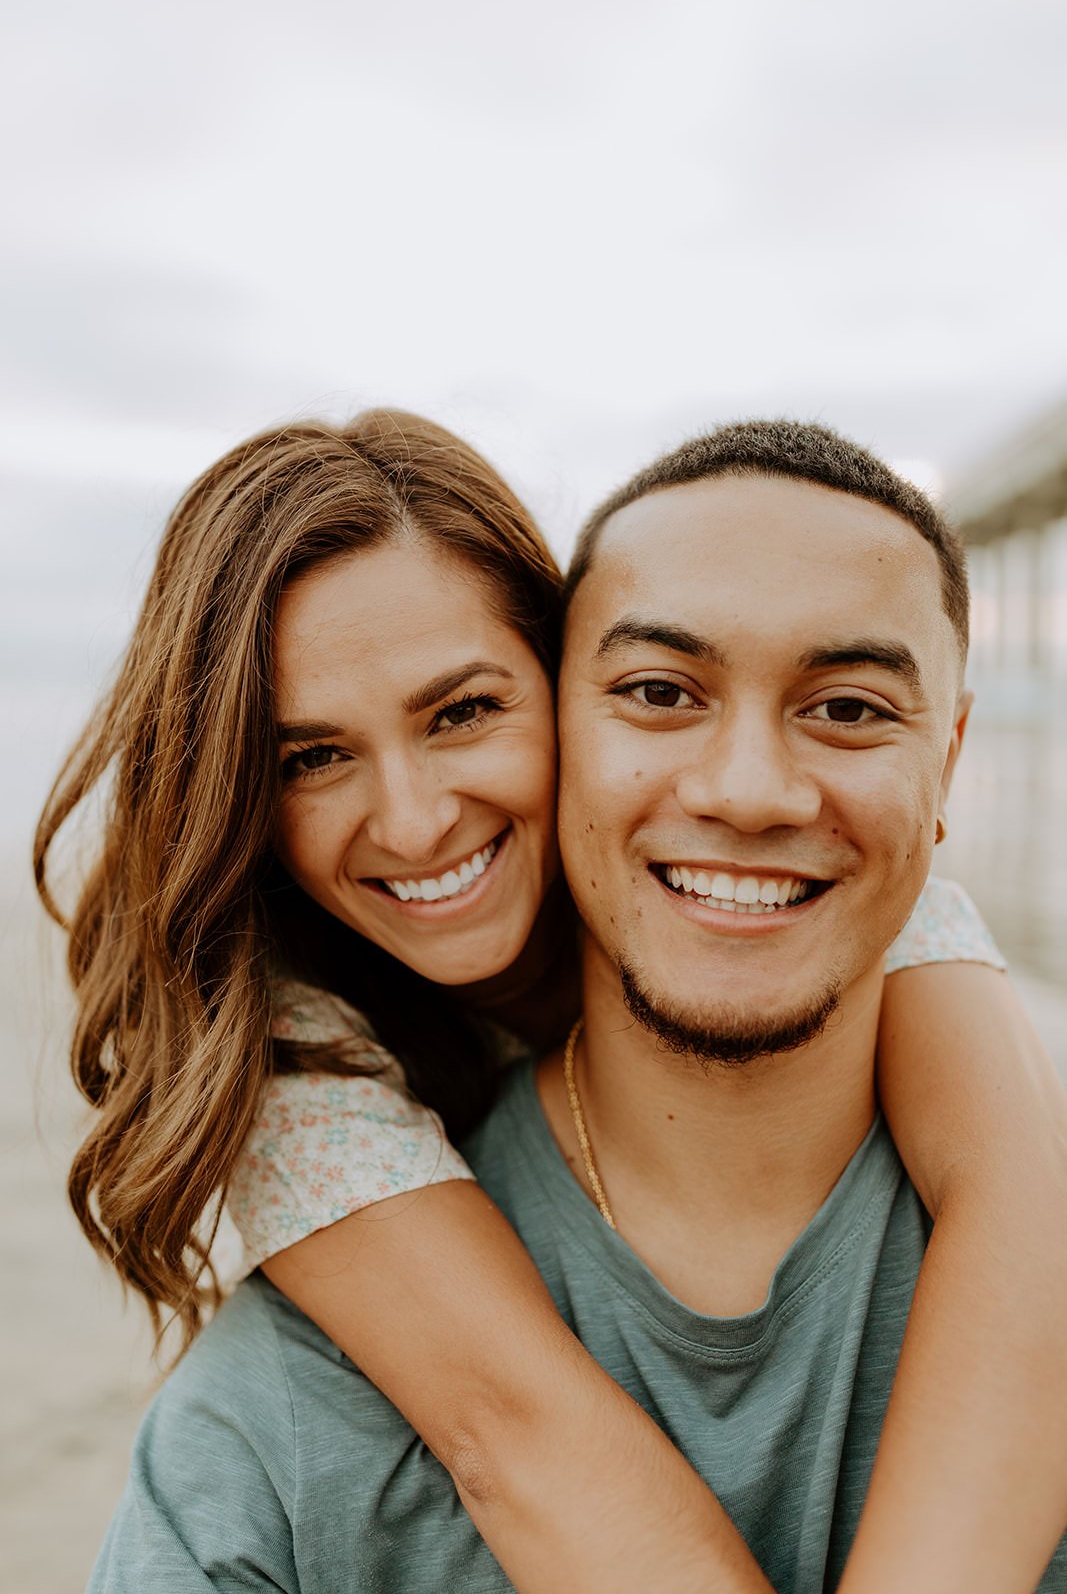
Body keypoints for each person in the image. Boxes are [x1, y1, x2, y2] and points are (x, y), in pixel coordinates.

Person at [36, 415, 1066, 1592]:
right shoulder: (289, 1079)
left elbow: (1018, 1182)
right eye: (310, 756)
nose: (419, 821)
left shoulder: (906, 954)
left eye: (464, 711)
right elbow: (504, 1429)